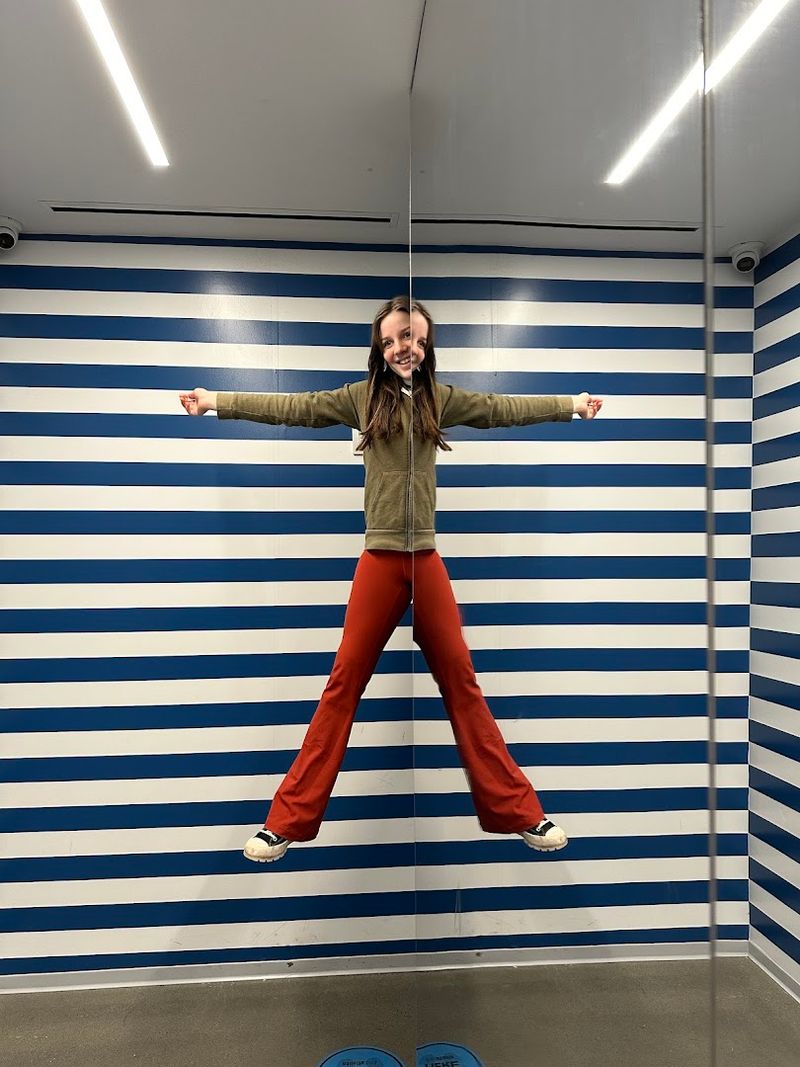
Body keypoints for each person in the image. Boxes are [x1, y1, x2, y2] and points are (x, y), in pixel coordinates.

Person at [180, 295, 603, 864]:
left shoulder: (440, 400)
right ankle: (286, 820)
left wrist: (572, 405)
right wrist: (216, 401)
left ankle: (520, 811)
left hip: (425, 562)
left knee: (462, 682)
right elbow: (294, 407)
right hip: (378, 563)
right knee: (342, 685)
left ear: (428, 349)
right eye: (397, 339)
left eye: (419, 340)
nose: (409, 348)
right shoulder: (360, 398)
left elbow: (502, 408)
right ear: (381, 347)